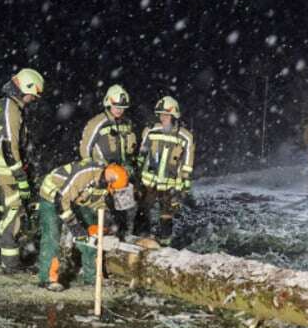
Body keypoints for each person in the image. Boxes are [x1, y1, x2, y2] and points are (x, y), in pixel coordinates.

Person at [36, 160, 135, 291]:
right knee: (52, 236)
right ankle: (48, 279)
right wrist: (74, 226)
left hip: (77, 200)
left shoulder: (106, 185)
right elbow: (61, 201)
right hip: (53, 195)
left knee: (92, 238)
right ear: (109, 181)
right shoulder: (86, 174)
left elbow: (100, 205)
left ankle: (92, 277)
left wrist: (103, 228)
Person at [0, 67, 44, 271]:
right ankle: (10, 263)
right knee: (14, 213)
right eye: (32, 96)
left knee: (7, 213)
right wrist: (20, 176)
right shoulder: (11, 107)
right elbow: (9, 145)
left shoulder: (5, 105)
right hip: (6, 174)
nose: (32, 100)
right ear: (24, 88)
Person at [136, 96, 195, 246]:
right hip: (149, 181)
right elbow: (142, 154)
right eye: (161, 114)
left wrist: (183, 187)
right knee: (143, 210)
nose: (163, 118)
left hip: (170, 184)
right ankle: (139, 239)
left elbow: (187, 164)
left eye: (167, 115)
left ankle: (164, 244)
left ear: (175, 116)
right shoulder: (150, 131)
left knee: (166, 214)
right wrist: (136, 175)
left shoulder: (185, 137)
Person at [80, 84, 138, 235]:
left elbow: (129, 149)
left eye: (122, 106)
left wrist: (130, 166)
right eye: (116, 105)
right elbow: (85, 149)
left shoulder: (127, 123)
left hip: (121, 175)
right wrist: (92, 173)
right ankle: (100, 243)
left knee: (124, 212)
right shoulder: (96, 123)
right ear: (108, 103)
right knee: (102, 211)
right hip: (102, 174)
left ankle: (123, 239)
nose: (119, 109)